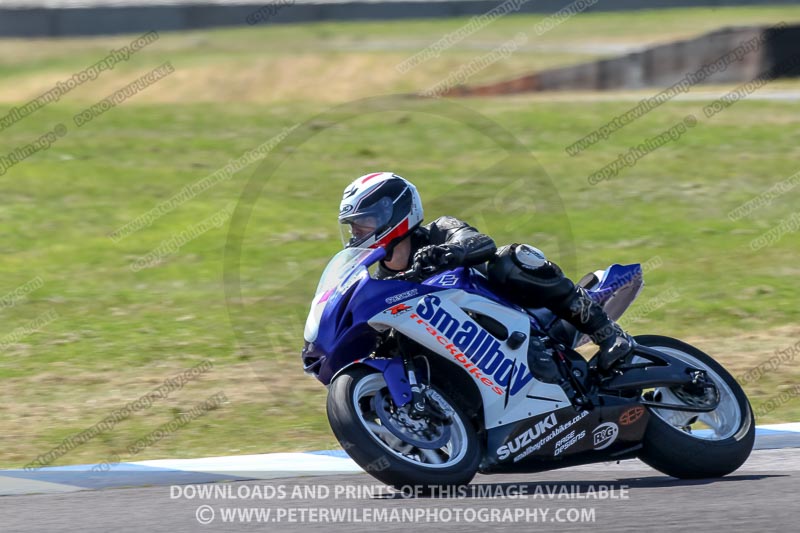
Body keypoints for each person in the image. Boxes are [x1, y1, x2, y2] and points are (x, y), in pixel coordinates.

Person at [338, 171, 633, 372]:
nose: (357, 232)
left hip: (523, 319)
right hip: (470, 359)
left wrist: (450, 252)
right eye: (353, 226)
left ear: (394, 213)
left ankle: (606, 332)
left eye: (364, 221)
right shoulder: (380, 282)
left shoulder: (441, 231)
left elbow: (479, 242)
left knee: (511, 259)